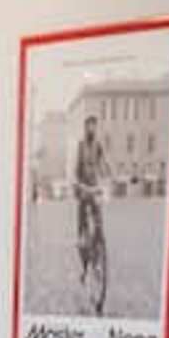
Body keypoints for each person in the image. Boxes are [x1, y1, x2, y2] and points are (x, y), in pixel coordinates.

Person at [69, 102, 111, 306]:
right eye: (89, 125)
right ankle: (84, 265)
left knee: (99, 224)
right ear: (85, 127)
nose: (92, 129)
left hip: (94, 189)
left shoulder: (98, 145)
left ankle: (99, 250)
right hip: (83, 190)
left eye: (94, 125)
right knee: (81, 236)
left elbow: (105, 163)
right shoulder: (80, 146)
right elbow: (75, 169)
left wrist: (111, 174)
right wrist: (76, 183)